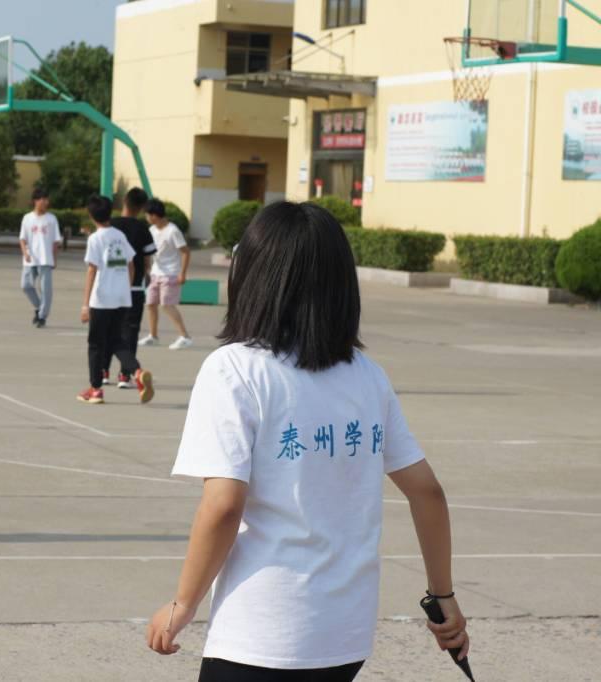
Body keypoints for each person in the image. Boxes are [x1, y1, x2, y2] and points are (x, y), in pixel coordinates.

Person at [146, 202, 468, 681]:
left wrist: (182, 604)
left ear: (252, 275)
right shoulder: (367, 376)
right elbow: (427, 491)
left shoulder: (234, 369)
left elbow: (223, 504)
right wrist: (443, 598)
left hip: (262, 634)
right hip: (345, 636)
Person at [78, 195, 153, 405]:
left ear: (91, 215)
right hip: (122, 297)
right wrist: (126, 288)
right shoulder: (119, 235)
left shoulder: (96, 238)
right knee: (116, 340)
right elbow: (131, 264)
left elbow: (92, 270)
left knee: (95, 343)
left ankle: (95, 389)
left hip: (102, 299)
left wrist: (85, 304)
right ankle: (137, 372)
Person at [104, 187, 156, 387]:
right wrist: (147, 275)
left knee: (108, 330)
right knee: (130, 331)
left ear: (124, 202)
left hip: (110, 288)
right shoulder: (143, 228)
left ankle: (103, 370)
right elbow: (147, 259)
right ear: (141, 207)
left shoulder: (111, 226)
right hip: (134, 289)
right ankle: (125, 375)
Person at [140, 199, 192, 350]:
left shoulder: (173, 231)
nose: (146, 218)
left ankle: (185, 336)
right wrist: (147, 268)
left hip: (170, 274)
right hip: (156, 273)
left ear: (155, 215)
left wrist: (182, 273)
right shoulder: (152, 230)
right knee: (150, 304)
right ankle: (153, 335)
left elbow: (185, 252)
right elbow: (149, 251)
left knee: (167, 305)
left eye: (148, 215)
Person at [19, 188, 62, 328]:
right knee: (25, 285)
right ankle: (39, 307)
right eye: (42, 199)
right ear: (35, 201)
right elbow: (22, 239)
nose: (45, 202)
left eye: (46, 199)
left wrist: (55, 259)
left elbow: (56, 241)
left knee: (46, 290)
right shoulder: (27, 218)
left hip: (46, 259)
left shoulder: (51, 219)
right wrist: (25, 253)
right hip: (30, 259)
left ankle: (42, 317)